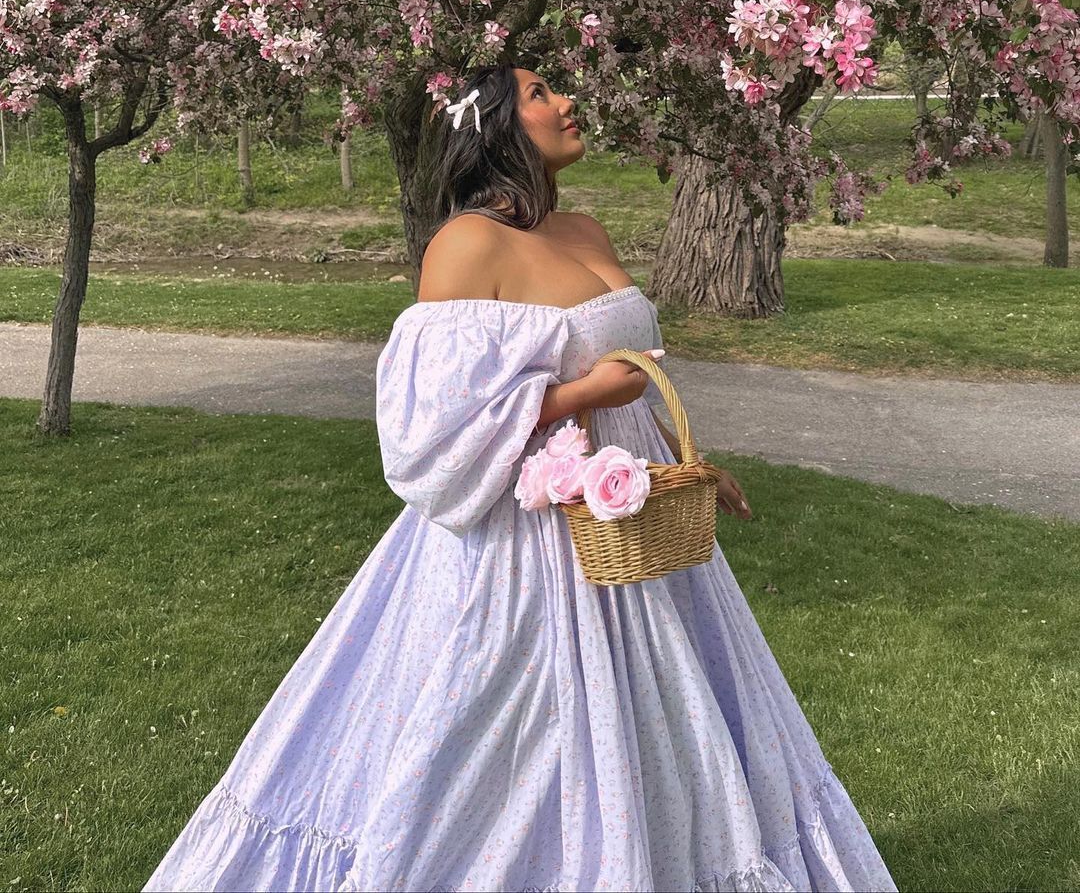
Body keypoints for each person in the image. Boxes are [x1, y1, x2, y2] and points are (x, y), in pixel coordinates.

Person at [141, 63, 899, 893]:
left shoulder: (588, 233)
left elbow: (637, 385)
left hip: (631, 529)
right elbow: (433, 427)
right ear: (497, 126)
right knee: (519, 727)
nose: (567, 103)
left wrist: (687, 465)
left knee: (664, 722)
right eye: (541, 95)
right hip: (528, 542)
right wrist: (578, 395)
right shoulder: (466, 246)